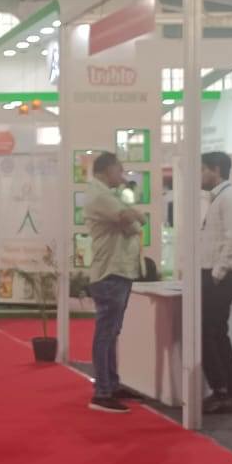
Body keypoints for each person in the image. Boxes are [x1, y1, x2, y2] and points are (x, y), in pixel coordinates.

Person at [83, 152, 145, 413]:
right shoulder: (100, 196)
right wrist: (135, 215)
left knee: (111, 333)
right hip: (110, 272)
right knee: (106, 333)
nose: (122, 175)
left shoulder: (108, 195)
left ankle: (111, 383)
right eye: (119, 170)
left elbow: (133, 224)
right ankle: (102, 392)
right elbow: (130, 220)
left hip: (117, 270)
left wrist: (134, 216)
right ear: (107, 170)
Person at [198, 152, 232, 414]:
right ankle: (229, 392)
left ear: (216, 170)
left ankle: (224, 391)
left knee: (209, 332)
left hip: (222, 275)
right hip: (215, 273)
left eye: (202, 169)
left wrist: (217, 273)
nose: (200, 175)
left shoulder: (230, 199)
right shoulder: (220, 198)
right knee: (215, 332)